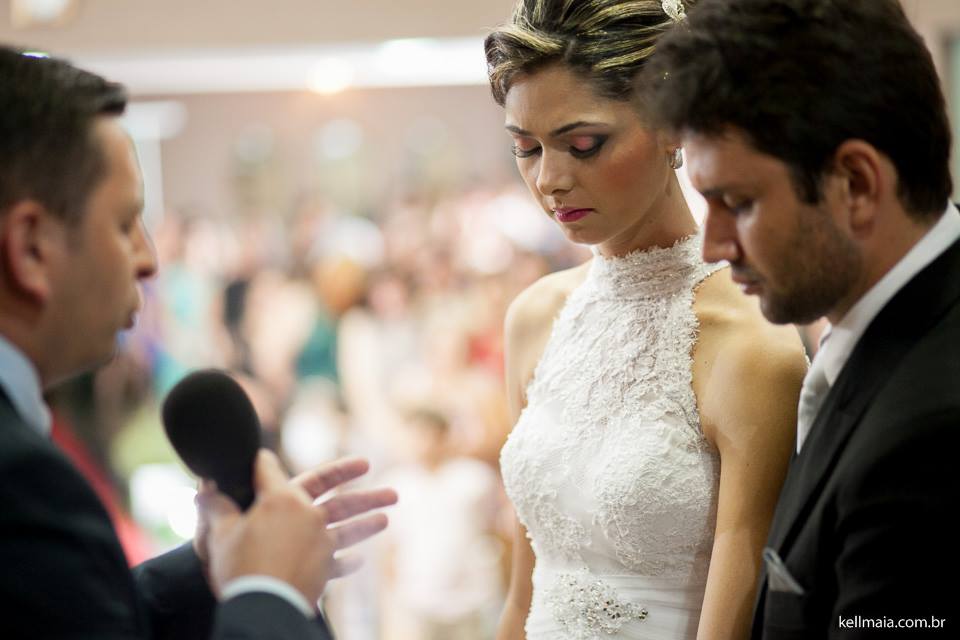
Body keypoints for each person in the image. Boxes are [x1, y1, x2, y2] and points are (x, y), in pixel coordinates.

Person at [0, 46, 396, 639]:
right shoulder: (21, 479)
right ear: (32, 248)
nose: (149, 259)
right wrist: (268, 593)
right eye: (124, 222)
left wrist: (211, 572)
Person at [485, 1, 808, 638]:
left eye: (583, 145)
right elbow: (523, 600)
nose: (550, 179)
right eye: (526, 149)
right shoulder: (534, 318)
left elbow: (736, 621)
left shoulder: (749, 345)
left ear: (672, 128)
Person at [644, 0, 959, 637]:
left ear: (856, 184)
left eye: (738, 202)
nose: (715, 246)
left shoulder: (931, 435)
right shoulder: (892, 335)